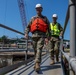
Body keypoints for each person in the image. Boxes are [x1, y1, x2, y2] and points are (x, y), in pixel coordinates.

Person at [24, 3, 50, 71]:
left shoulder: (45, 18)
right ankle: (36, 63)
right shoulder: (33, 18)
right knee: (35, 51)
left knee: (39, 49)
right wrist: (26, 33)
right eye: (37, 9)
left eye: (39, 8)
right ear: (36, 10)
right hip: (34, 36)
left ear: (41, 9)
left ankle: (37, 63)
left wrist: (47, 37)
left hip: (42, 36)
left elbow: (48, 29)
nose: (38, 10)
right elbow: (28, 27)